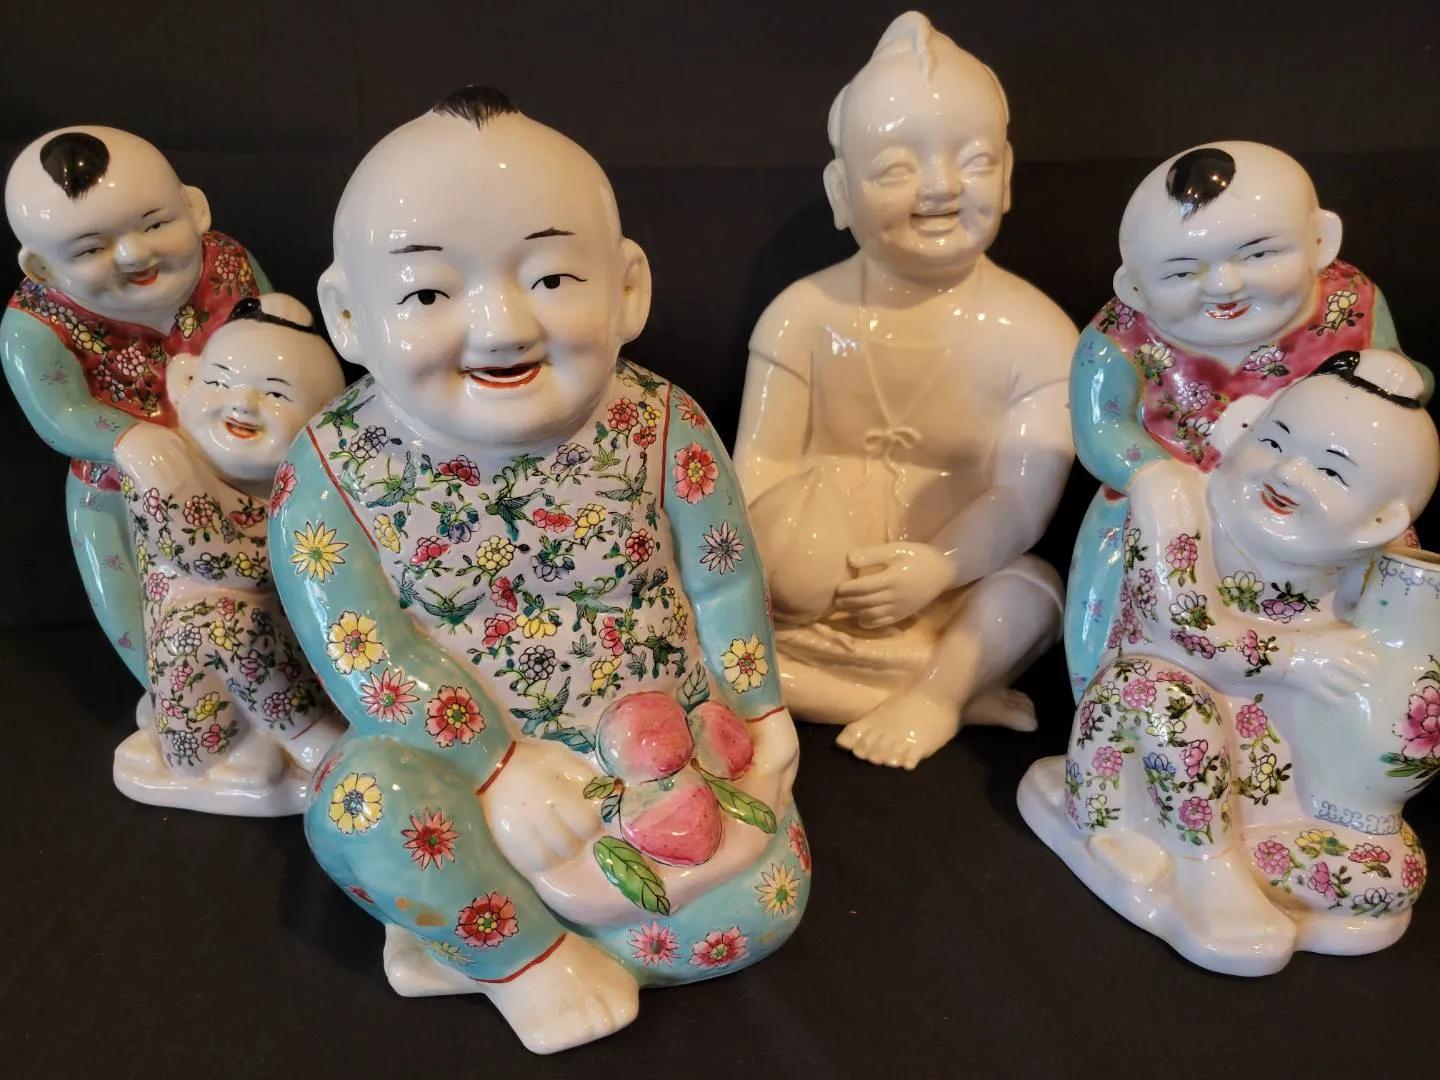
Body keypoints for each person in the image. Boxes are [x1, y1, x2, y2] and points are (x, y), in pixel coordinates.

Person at [270, 86, 807, 1054]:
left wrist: (762, 710)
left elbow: (724, 579)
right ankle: (527, 958)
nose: (502, 327)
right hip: (470, 779)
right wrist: (499, 768)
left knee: (751, 910)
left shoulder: (662, 422)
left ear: (629, 288)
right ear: (348, 317)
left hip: (663, 754)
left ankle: (473, 937)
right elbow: (364, 651)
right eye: (428, 294)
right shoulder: (329, 472)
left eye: (552, 277)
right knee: (362, 804)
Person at [1020, 349, 1439, 975]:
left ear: (1382, 519)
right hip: (1141, 754)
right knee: (1163, 696)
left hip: (1278, 797)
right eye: (1275, 440)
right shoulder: (1175, 497)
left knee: (1390, 875)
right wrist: (1297, 655)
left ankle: (1238, 865)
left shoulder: (1382, 560)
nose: (1288, 472)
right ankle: (1203, 869)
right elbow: (1185, 625)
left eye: (1331, 470)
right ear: (1245, 426)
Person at [733, 11, 1076, 769]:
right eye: (894, 169)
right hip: (804, 607)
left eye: (974, 161)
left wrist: (938, 568)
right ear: (841, 191)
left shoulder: (1039, 334)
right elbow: (758, 467)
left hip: (951, 598)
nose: (941, 188)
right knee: (714, 618)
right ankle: (953, 694)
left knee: (1035, 593)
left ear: (1007, 176)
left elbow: (1022, 500)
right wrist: (795, 569)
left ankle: (933, 694)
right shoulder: (801, 316)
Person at [1064, 141, 1434, 699]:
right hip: (1177, 492)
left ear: (1320, 242)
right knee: (1121, 559)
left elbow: (1398, 387)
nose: (1224, 286)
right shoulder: (1116, 337)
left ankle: (1386, 698)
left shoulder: (1350, 301)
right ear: (1134, 286)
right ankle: (1111, 697)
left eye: (1258, 255)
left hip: (1317, 492)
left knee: (1391, 550)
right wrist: (1152, 475)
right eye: (1181, 272)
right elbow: (1100, 428)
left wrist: (1398, 378)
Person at [3, 125, 270, 694]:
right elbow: (58, 415)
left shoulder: (229, 263)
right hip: (122, 489)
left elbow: (278, 341)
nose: (134, 255)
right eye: (91, 249)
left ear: (194, 209)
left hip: (253, 460)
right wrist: (129, 440)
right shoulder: (31, 328)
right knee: (137, 604)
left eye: (154, 224)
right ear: (42, 268)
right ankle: (180, 703)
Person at [113, 294, 346, 814]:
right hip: (197, 712)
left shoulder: (300, 495)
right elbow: (215, 560)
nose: (243, 404)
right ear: (185, 382)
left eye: (277, 394)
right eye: (220, 383)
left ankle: (283, 742)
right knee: (221, 618)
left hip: (289, 684)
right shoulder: (166, 472)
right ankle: (315, 742)